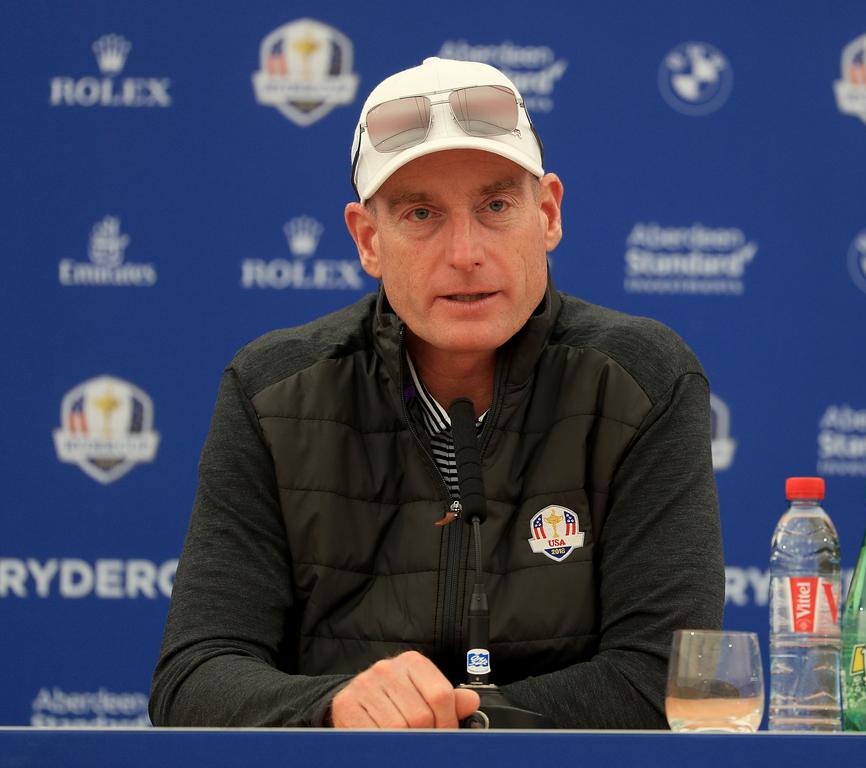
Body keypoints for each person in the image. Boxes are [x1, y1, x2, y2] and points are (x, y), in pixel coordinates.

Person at [150, 57, 724, 730]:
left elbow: (665, 677)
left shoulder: (642, 379)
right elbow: (195, 677)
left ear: (548, 214)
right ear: (368, 239)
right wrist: (335, 707)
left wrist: (454, 723)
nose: (464, 252)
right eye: (421, 213)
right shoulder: (273, 392)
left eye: (496, 207)